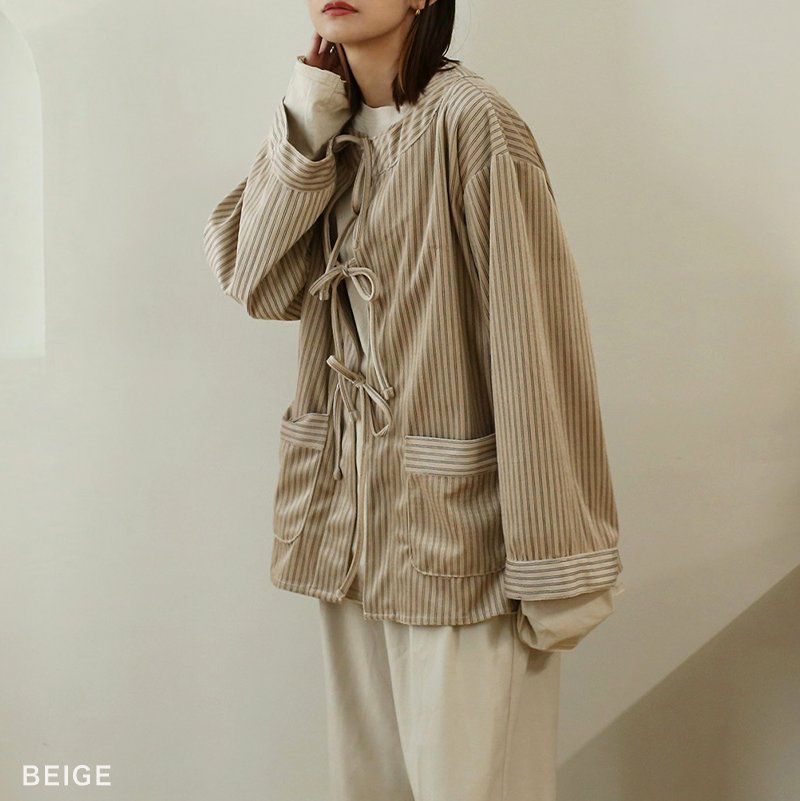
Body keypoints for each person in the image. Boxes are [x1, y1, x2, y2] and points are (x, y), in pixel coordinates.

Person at [203, 2, 625, 799]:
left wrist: (555, 561)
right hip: (348, 532)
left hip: (460, 546)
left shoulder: (475, 125)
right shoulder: (327, 126)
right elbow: (254, 278)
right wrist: (307, 114)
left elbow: (535, 343)